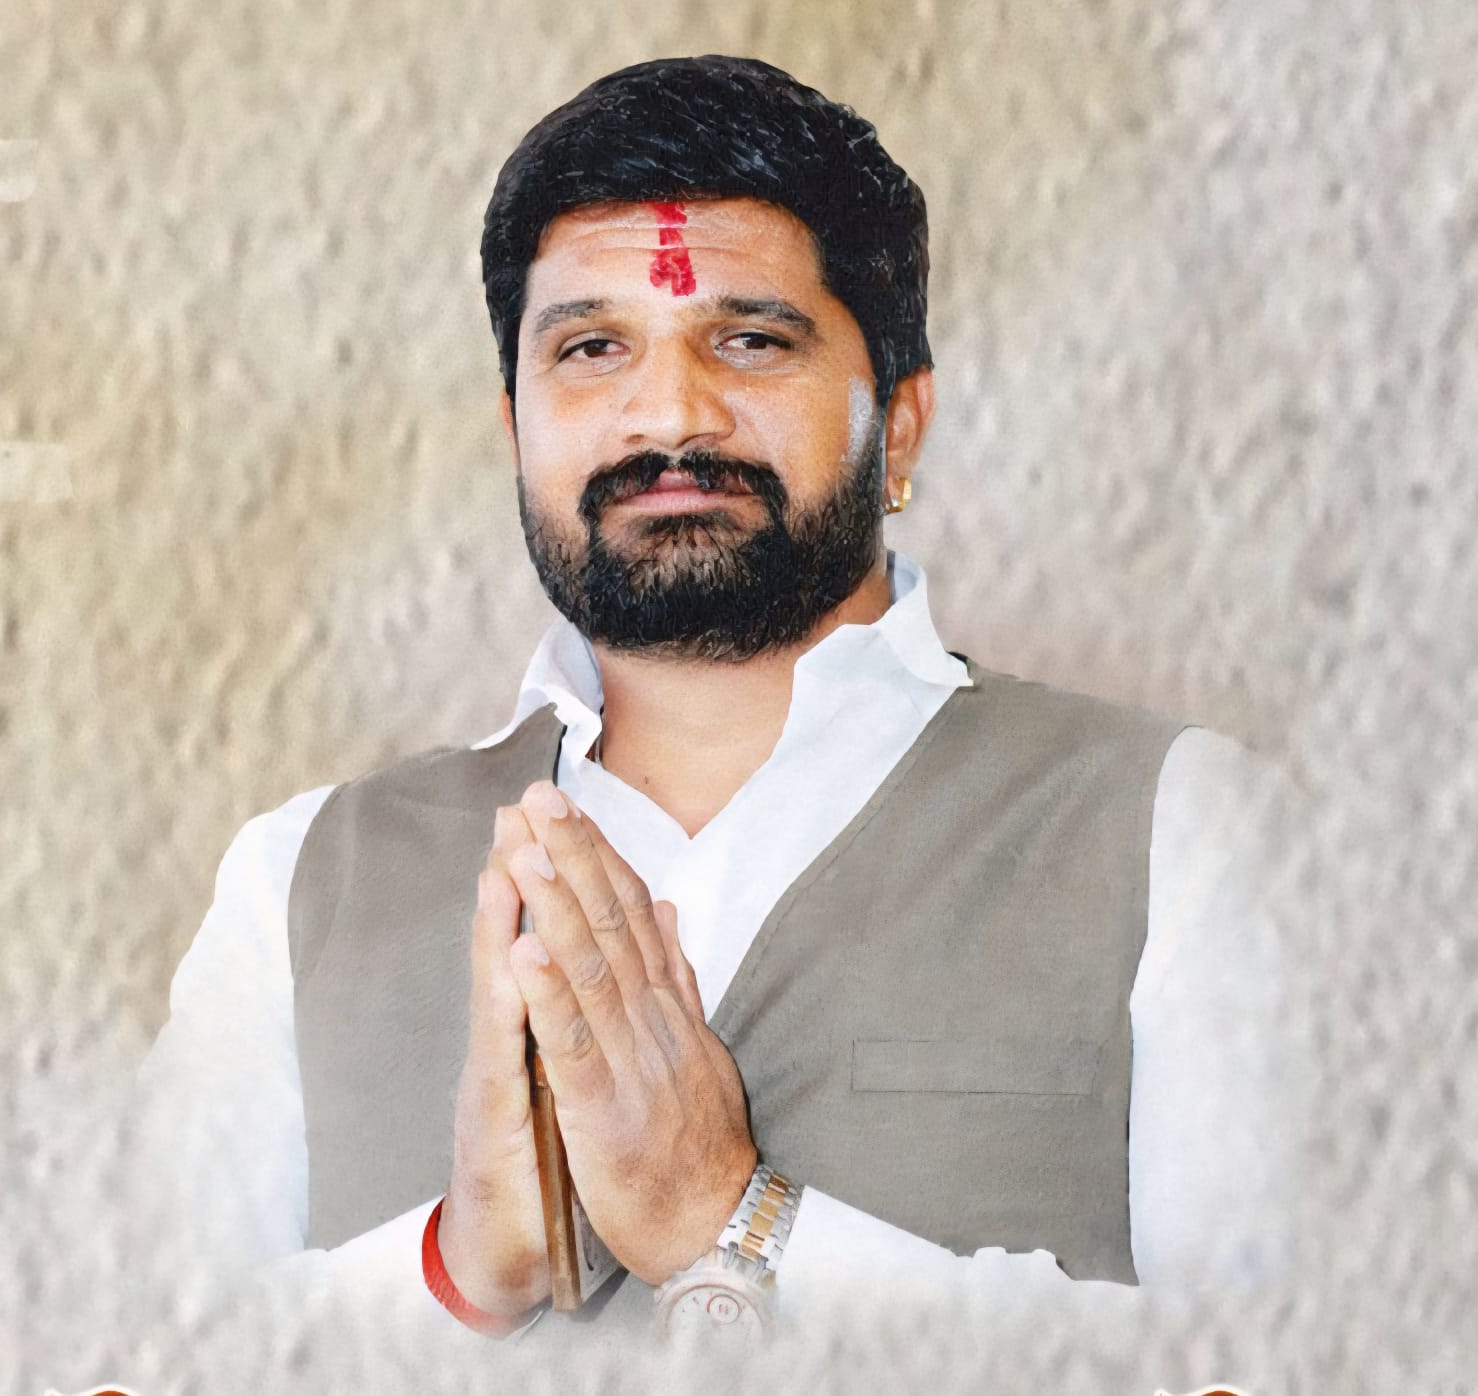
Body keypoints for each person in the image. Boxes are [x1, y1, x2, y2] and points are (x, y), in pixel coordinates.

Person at [135, 54, 1295, 1356]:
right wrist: (455, 1274)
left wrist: (735, 1223)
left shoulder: (1183, 830)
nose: (669, 414)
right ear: (515, 424)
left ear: (900, 422)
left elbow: (1300, 1361)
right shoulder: (298, 883)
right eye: (592, 349)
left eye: (749, 340)